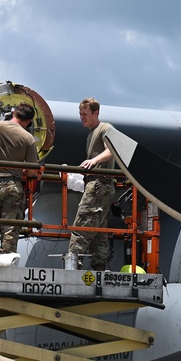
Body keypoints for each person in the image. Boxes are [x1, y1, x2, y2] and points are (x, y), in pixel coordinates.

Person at [0, 103, 39, 255]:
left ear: (13, 113)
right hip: (13, 187)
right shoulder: (28, 138)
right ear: (29, 121)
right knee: (10, 228)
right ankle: (7, 261)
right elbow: (32, 172)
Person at [68, 97, 116, 270]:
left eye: (85, 114)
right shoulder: (91, 132)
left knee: (82, 225)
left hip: (98, 184)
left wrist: (93, 161)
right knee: (98, 232)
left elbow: (112, 150)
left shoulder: (105, 128)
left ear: (96, 113)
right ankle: (99, 268)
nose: (82, 117)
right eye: (80, 114)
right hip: (100, 185)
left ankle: (73, 266)